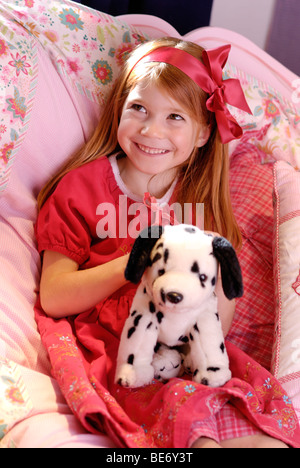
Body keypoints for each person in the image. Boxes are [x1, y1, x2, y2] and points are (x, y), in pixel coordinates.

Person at [34, 37, 299, 448]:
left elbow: (220, 324)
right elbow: (53, 296)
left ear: (202, 134)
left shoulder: (202, 201)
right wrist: (135, 260)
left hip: (189, 348)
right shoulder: (81, 187)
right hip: (117, 345)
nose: (150, 130)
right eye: (138, 108)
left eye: (175, 117)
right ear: (119, 108)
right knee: (191, 431)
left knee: (269, 436)